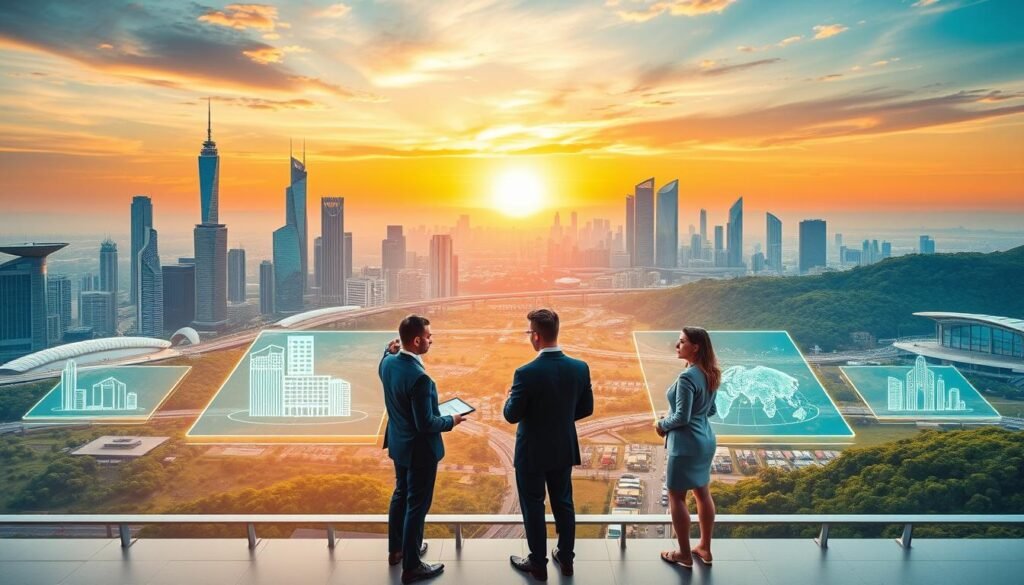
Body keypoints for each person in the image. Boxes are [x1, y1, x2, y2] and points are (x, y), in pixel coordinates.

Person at [504, 308, 594, 581]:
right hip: (563, 446)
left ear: (536, 336)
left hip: (531, 451)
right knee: (563, 503)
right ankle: (566, 559)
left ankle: (538, 564)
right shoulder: (580, 367)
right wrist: (561, 417)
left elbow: (512, 415)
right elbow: (586, 408)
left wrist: (506, 398)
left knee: (533, 506)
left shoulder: (525, 373)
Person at [379, 314, 466, 584]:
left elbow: (384, 360)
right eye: (429, 336)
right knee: (417, 505)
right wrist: (451, 420)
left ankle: (398, 550)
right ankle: (413, 565)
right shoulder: (420, 379)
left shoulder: (387, 364)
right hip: (419, 452)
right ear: (416, 341)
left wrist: (387, 350)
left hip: (399, 444)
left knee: (400, 495)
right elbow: (426, 423)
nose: (431, 340)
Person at [655, 326, 721, 569]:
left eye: (682, 341)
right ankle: (705, 547)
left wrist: (661, 424)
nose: (677, 345)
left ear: (696, 347)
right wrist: (696, 413)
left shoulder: (687, 377)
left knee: (676, 496)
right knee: (702, 493)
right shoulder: (710, 373)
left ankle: (683, 553)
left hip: (685, 444)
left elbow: (681, 417)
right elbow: (711, 410)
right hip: (705, 440)